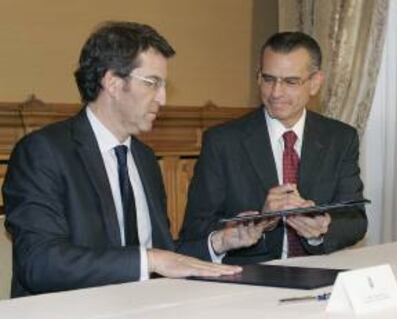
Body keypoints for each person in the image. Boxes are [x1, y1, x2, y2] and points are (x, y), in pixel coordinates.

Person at [2, 21, 247, 298]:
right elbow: (40, 264)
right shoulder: (43, 152)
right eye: (153, 83)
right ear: (113, 83)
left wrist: (220, 241)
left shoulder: (143, 158)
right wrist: (150, 260)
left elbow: (162, 253)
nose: (163, 99)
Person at [180, 31, 368, 265]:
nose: (276, 93)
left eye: (290, 81)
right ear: (258, 78)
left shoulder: (340, 138)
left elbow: (356, 219)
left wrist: (323, 226)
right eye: (268, 79)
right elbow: (193, 232)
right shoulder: (223, 142)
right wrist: (259, 219)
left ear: (315, 83)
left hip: (323, 270)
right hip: (249, 278)